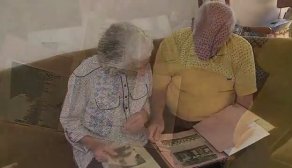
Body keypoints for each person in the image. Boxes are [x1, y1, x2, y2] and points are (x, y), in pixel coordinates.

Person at [148, 1, 257, 141]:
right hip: (177, 120)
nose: (207, 51)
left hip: (220, 122)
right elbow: (158, 88)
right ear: (193, 26)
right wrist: (157, 118)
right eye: (201, 41)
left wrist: (234, 127)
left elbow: (244, 101)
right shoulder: (173, 43)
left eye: (215, 44)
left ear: (230, 33)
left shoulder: (241, 49)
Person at [60, 22, 153, 168]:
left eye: (145, 64)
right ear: (114, 65)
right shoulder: (85, 75)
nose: (143, 72)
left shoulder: (143, 63)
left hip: (138, 143)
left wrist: (144, 114)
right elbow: (69, 121)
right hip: (100, 151)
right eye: (137, 66)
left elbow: (145, 99)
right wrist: (95, 144)